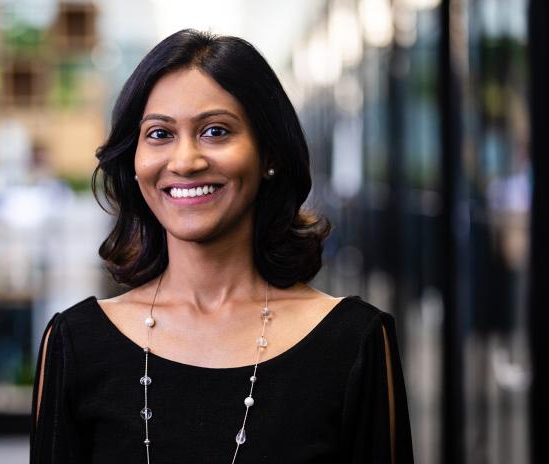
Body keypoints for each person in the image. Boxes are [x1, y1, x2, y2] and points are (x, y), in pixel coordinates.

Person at [31, 29, 414, 463]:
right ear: (133, 161)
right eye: (159, 133)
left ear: (269, 154)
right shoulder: (75, 342)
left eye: (215, 131)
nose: (185, 161)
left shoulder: (354, 341)